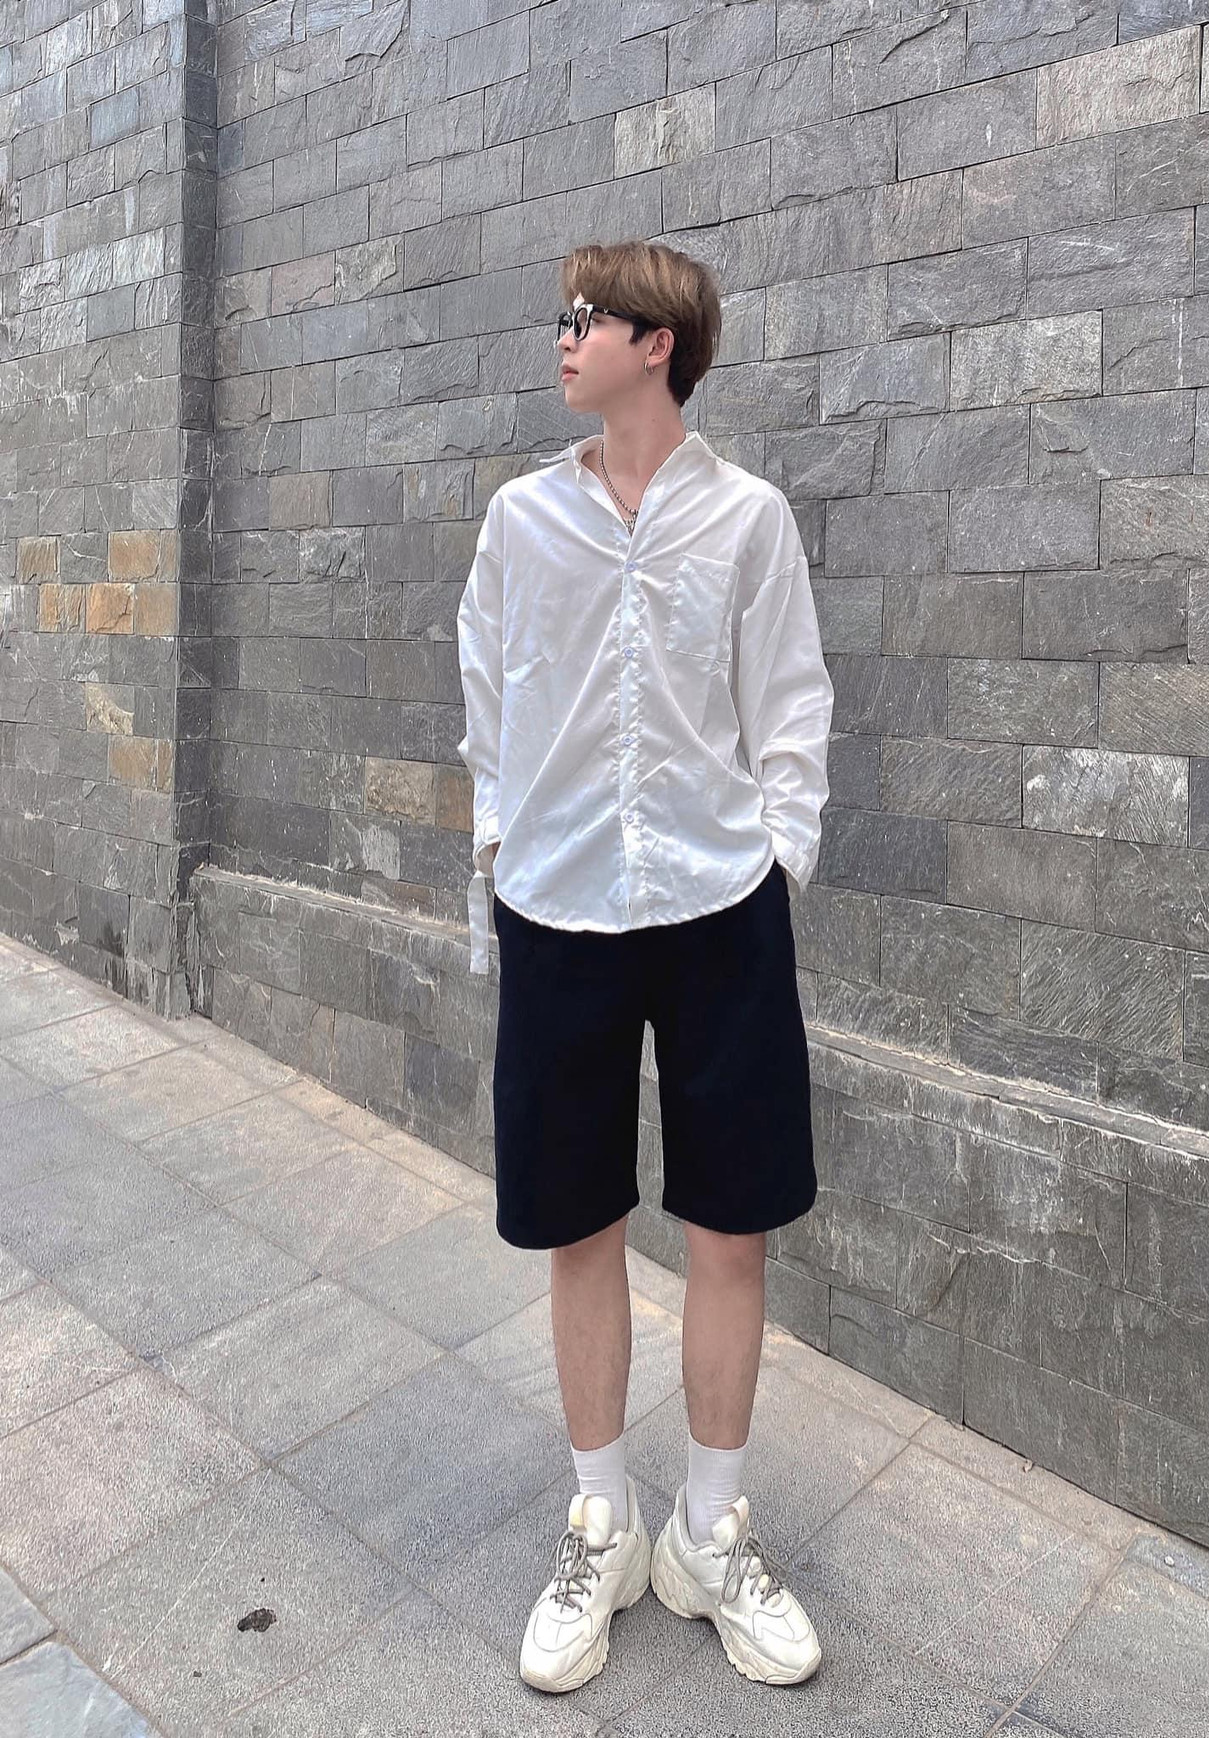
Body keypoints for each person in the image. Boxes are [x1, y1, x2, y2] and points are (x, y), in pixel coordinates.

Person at [454, 238, 834, 1695]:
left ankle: (709, 1532)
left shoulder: (746, 520)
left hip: (717, 901)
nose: (562, 339)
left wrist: (778, 852)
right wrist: (499, 841)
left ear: (657, 343)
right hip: (559, 903)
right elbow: (487, 684)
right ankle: (602, 1522)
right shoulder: (520, 521)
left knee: (734, 1224)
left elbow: (788, 697)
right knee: (580, 1220)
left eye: (586, 319)